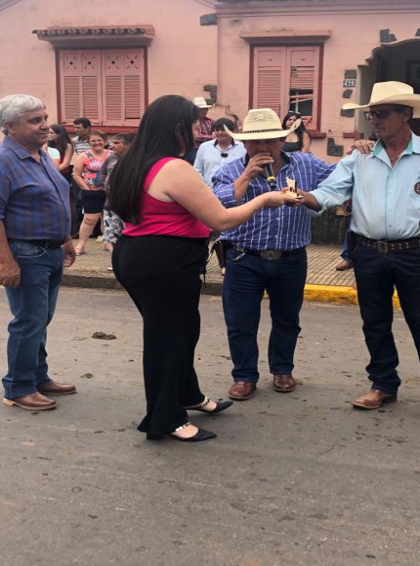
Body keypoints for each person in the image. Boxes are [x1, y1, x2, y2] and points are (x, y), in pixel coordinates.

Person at [107, 95, 298, 442]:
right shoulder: (173, 167)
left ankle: (188, 394)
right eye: (196, 126)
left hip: (141, 254)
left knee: (184, 330)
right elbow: (220, 219)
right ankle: (166, 418)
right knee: (167, 338)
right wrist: (265, 199)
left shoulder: (133, 162)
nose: (201, 133)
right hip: (164, 260)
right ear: (177, 128)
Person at [300, 81, 420, 420]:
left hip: (416, 252)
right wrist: (300, 198)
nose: (374, 120)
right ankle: (383, 383)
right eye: (372, 114)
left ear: (406, 115)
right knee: (374, 322)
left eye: (382, 113)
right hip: (368, 251)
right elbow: (329, 192)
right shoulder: (360, 157)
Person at [212, 109, 335, 400]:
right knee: (240, 320)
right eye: (255, 142)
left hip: (291, 256)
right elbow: (219, 208)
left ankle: (282, 370)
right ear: (244, 144)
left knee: (287, 319)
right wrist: (245, 176)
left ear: (282, 140)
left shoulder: (305, 164)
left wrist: (361, 152)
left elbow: (339, 180)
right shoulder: (229, 171)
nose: (263, 147)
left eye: (270, 140)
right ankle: (244, 376)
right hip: (243, 257)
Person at [0, 94, 78, 412]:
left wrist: (65, 238)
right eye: (35, 121)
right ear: (9, 127)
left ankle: (37, 376)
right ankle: (18, 387)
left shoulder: (39, 153)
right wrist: (5, 262)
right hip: (24, 253)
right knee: (28, 320)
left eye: (44, 118)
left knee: (40, 319)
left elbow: (53, 199)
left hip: (50, 249)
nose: (45, 125)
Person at [71, 131, 110, 254]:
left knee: (109, 219)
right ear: (88, 142)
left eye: (99, 140)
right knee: (89, 220)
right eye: (93, 141)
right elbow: (76, 175)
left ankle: (108, 242)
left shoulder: (112, 155)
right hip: (92, 192)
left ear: (105, 141)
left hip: (110, 192)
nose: (96, 143)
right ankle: (81, 245)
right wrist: (86, 188)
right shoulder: (83, 156)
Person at [100, 133, 133, 270]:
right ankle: (116, 263)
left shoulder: (135, 160)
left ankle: (129, 263)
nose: (112, 146)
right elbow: (103, 177)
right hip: (110, 205)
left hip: (129, 206)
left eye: (117, 143)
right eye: (112, 142)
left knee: (129, 236)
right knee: (112, 237)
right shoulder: (110, 159)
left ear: (128, 145)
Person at [193, 117, 246, 187]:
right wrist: (203, 186)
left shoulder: (242, 148)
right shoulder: (204, 147)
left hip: (234, 191)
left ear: (232, 131)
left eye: (223, 130)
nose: (220, 133)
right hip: (209, 191)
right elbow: (197, 170)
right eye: (217, 130)